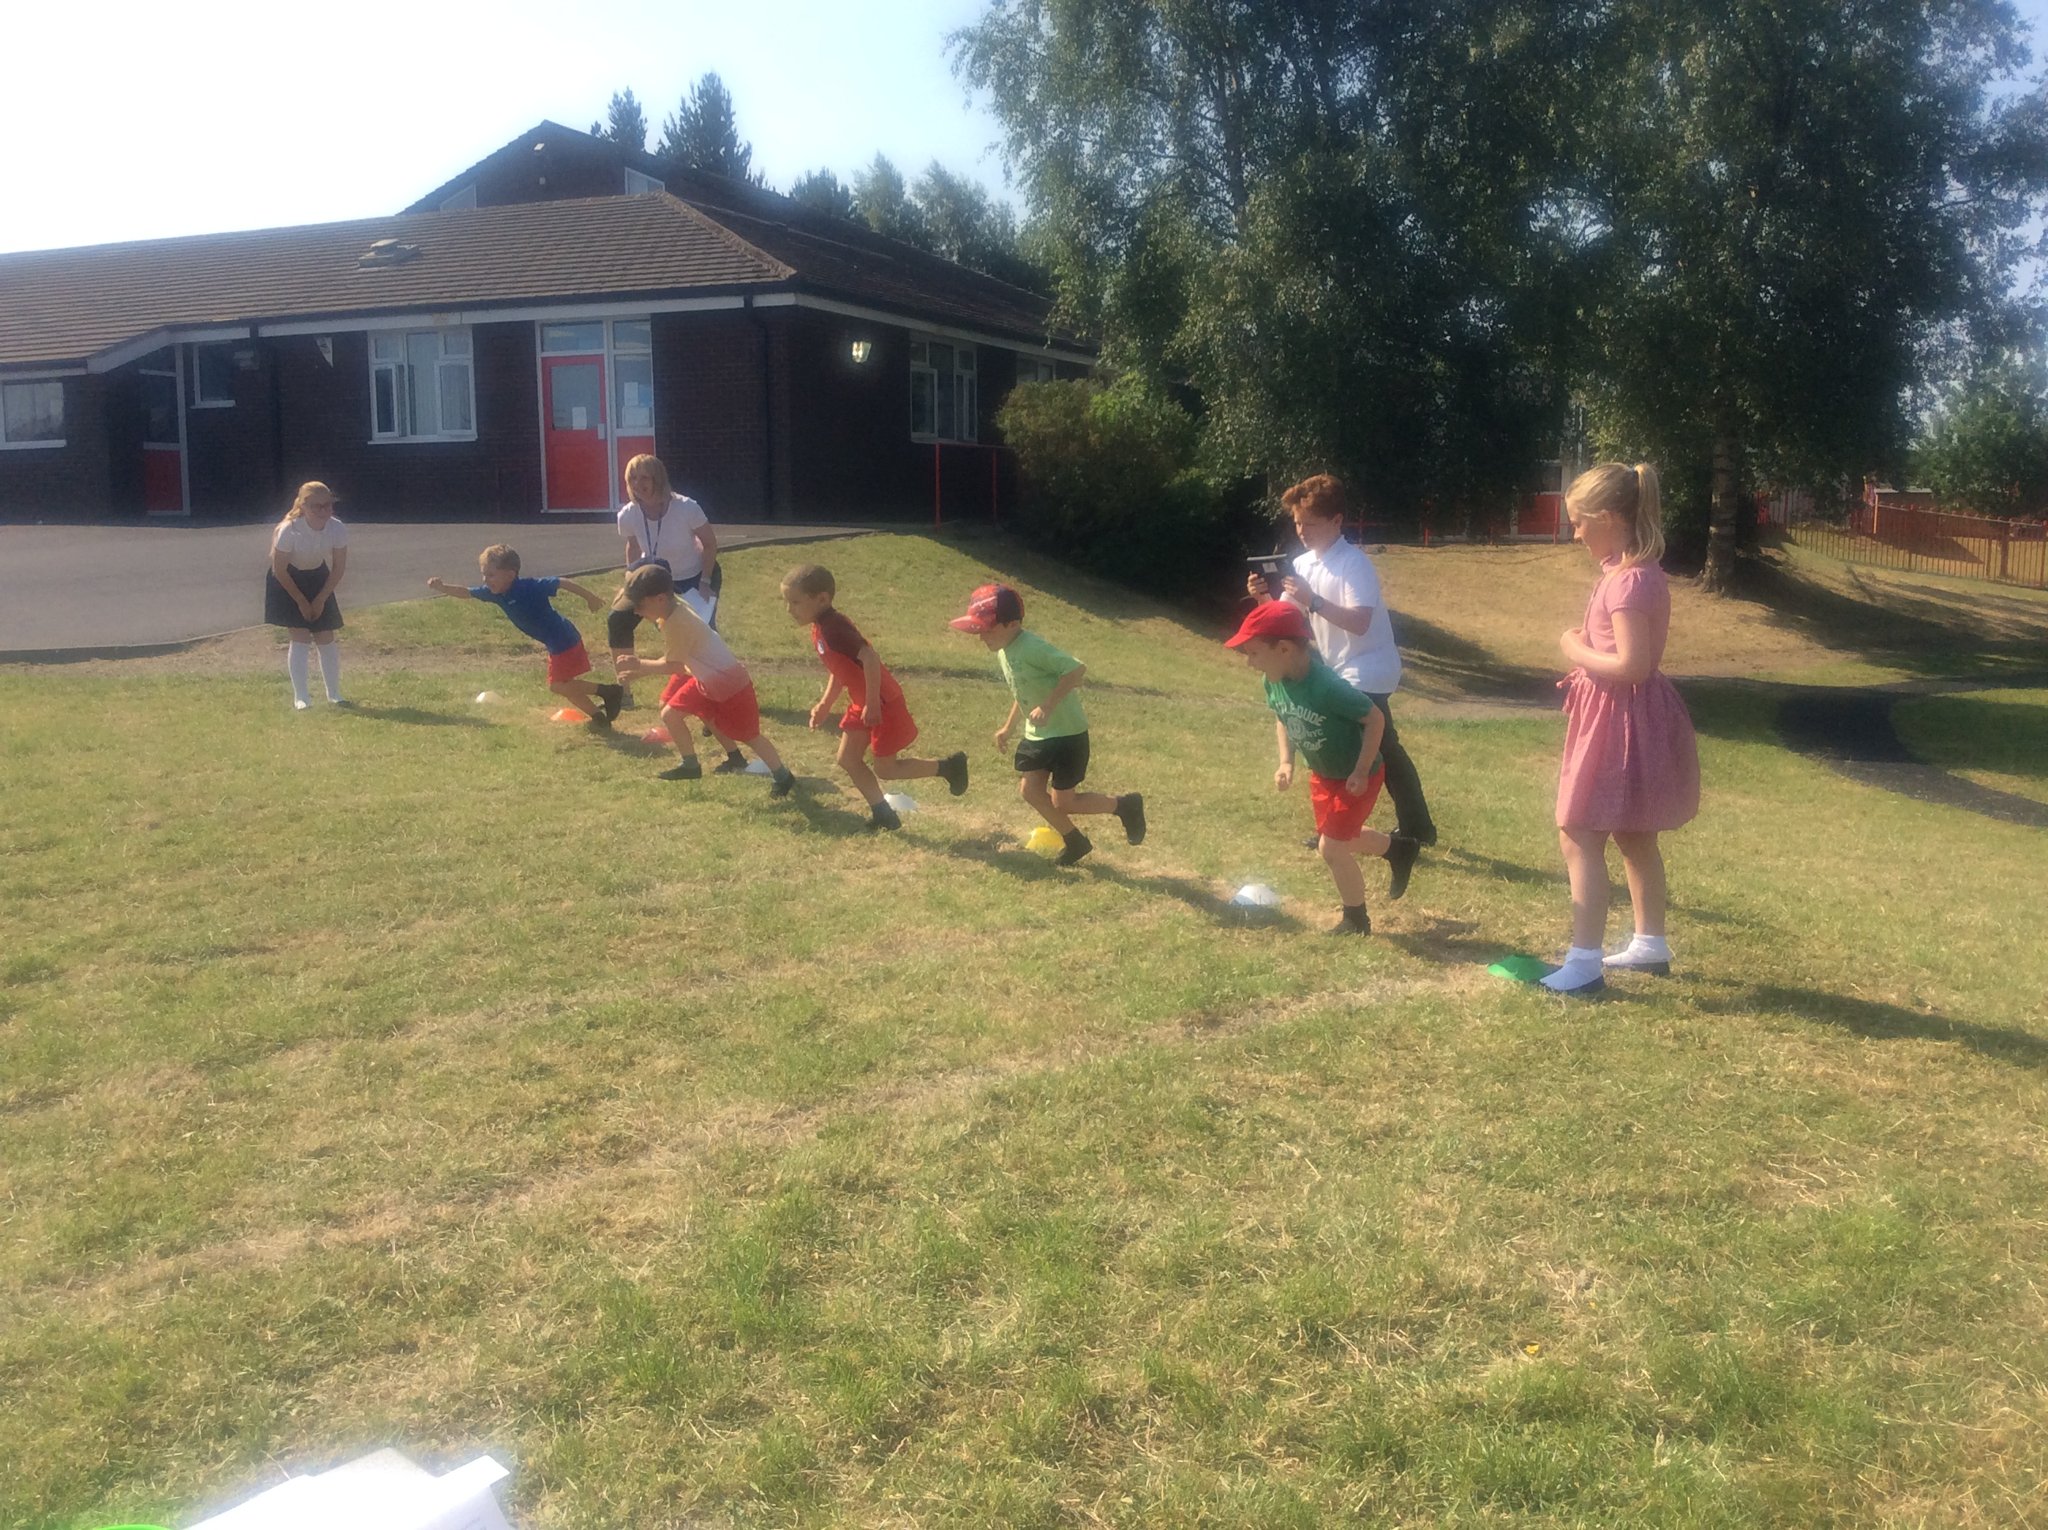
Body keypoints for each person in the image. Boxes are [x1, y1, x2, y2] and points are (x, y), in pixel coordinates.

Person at [1541, 462, 1701, 996]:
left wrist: (1573, 648)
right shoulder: (1635, 573)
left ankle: (1584, 962)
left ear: (1609, 517)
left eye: (1581, 522)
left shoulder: (1628, 580)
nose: (1576, 532)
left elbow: (1633, 665)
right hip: (1629, 714)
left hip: (1619, 715)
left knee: (1579, 832)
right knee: (1634, 833)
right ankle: (1650, 944)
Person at [1245, 474, 1437, 848]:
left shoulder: (1355, 564)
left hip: (1369, 668)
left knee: (1373, 747)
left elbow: (1360, 622)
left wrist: (1313, 600)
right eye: (1297, 522)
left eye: (1311, 523)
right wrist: (1261, 600)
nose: (1302, 531)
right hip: (1336, 669)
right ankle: (1374, 828)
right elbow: (1287, 625)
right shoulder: (1302, 564)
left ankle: (1396, 829)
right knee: (1360, 746)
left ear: (1337, 521)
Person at [1227, 600, 1420, 934]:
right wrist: (1286, 761)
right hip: (1324, 775)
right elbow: (1282, 718)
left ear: (1284, 649)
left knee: (1331, 847)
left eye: (1254, 653)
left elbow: (1374, 719)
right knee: (1343, 838)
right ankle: (1398, 850)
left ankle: (1356, 919)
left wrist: (1361, 770)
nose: (1249, 663)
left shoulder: (1328, 686)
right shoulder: (1274, 682)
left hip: (1357, 776)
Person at [949, 582, 1145, 866]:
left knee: (1064, 802)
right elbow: (1024, 692)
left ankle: (1125, 805)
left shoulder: (1032, 647)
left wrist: (1049, 705)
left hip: (1067, 734)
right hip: (1038, 734)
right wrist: (1009, 727)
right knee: (1029, 791)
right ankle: (1075, 840)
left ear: (1013, 624)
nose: (982, 637)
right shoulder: (1005, 651)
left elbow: (1076, 669)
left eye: (988, 629)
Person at [781, 563, 968, 830]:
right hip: (864, 702)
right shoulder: (821, 627)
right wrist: (825, 704)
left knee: (885, 769)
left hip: (881, 704)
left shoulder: (834, 628)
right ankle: (883, 814)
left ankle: (949, 767)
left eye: (796, 602)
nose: (790, 610)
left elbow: (869, 658)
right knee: (848, 759)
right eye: (787, 602)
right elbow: (841, 668)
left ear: (822, 599)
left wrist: (871, 704)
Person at [616, 561, 795, 794]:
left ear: (660, 599)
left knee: (749, 736)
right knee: (671, 714)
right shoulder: (673, 607)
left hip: (731, 685)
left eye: (639, 606)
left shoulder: (677, 622)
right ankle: (690, 765)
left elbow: (674, 665)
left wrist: (638, 664)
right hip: (706, 681)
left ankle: (783, 777)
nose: (637, 612)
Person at [425, 546, 622, 726]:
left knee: (557, 686)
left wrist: (590, 597)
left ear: (510, 575)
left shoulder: (529, 587)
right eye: (484, 574)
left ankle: (608, 691)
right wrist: (443, 588)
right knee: (565, 685)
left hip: (563, 639)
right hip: (555, 643)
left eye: (491, 575)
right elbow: (466, 592)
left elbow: (561, 582)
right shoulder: (495, 593)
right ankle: (599, 718)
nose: (486, 580)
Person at [608, 455, 718, 707]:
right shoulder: (628, 514)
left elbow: (710, 544)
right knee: (618, 618)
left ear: (658, 478)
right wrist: (629, 581)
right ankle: (624, 691)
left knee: (702, 634)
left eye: (644, 477)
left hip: (691, 576)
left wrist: (705, 581)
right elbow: (632, 546)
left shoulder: (687, 507)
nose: (638, 484)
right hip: (653, 579)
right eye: (632, 478)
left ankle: (710, 694)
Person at [265, 481, 349, 709]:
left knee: (326, 636)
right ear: (303, 506)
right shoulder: (289, 530)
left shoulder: (337, 528)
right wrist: (302, 601)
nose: (323, 511)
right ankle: (301, 697)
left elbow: (338, 568)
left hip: (318, 576)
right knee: (300, 635)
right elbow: (279, 570)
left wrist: (321, 598)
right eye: (316, 507)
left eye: (327, 506)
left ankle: (334, 694)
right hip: (288, 579)